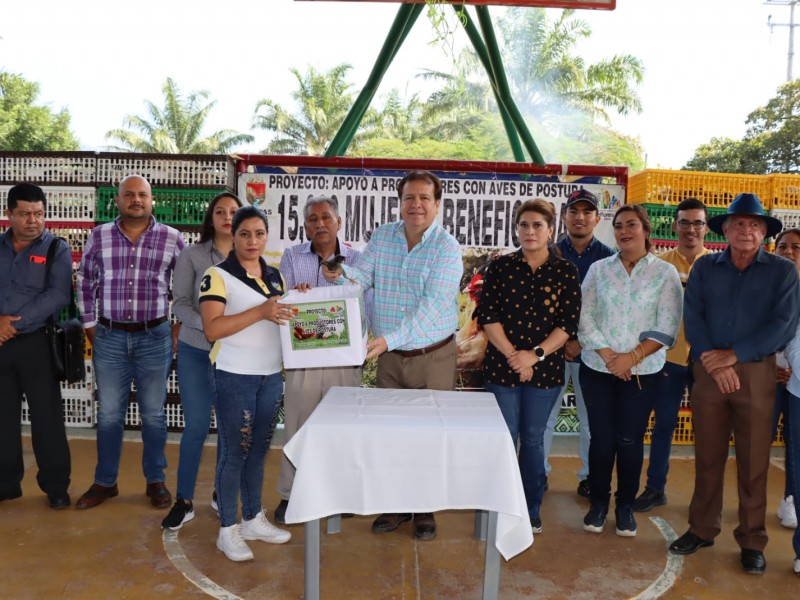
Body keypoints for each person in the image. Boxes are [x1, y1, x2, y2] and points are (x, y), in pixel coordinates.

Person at [323, 170, 462, 541]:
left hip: (432, 356)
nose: (416, 205)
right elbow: (363, 277)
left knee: (428, 435)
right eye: (409, 198)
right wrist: (338, 274)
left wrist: (387, 340)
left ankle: (425, 508)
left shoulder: (446, 248)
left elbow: (432, 308)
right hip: (389, 356)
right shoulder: (384, 236)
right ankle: (397, 504)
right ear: (400, 202)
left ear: (437, 204)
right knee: (391, 432)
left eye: (424, 198)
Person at [669, 193, 800, 575]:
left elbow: (783, 325)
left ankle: (752, 540)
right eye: (739, 224)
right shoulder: (707, 268)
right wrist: (712, 357)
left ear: (764, 232)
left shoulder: (782, 271)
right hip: (709, 370)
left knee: (754, 461)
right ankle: (702, 528)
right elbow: (693, 314)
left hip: (757, 373)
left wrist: (735, 355)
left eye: (754, 225)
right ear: (725, 230)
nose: (747, 231)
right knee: (707, 455)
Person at [75, 175, 185, 510]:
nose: (135, 200)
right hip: (109, 337)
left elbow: (185, 286)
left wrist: (178, 326)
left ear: (153, 201)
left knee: (152, 415)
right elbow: (84, 281)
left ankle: (156, 480)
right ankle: (105, 482)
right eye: (128, 195)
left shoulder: (172, 238)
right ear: (117, 201)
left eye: (142, 195)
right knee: (109, 414)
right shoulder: (99, 236)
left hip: (155, 337)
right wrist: (91, 326)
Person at [578, 205, 682, 537]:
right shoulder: (598, 269)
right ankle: (597, 505)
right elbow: (585, 317)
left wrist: (631, 358)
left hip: (643, 371)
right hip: (598, 368)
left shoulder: (664, 273)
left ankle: (624, 508)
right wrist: (611, 357)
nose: (625, 231)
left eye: (632, 225)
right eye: (619, 226)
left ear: (646, 230)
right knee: (602, 439)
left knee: (630, 439)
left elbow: (668, 325)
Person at [478, 199, 581, 533]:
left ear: (551, 230)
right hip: (501, 368)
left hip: (545, 371)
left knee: (533, 439)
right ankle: (500, 505)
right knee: (504, 437)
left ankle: (529, 508)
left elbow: (567, 324)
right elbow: (489, 317)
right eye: (524, 225)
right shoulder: (501, 267)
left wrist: (533, 355)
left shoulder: (565, 271)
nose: (530, 231)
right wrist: (514, 356)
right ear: (516, 229)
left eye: (538, 225)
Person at [199, 205, 294, 562]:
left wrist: (296, 300)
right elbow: (213, 329)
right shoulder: (217, 275)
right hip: (232, 374)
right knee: (234, 451)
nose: (252, 241)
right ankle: (228, 529)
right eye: (244, 234)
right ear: (232, 235)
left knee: (258, 450)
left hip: (269, 375)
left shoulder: (274, 276)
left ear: (266, 236)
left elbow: (281, 318)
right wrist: (261, 311)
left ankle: (253, 518)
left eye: (258, 234)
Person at [274, 195, 364, 524]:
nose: (320, 224)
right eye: (312, 219)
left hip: (344, 357)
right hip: (304, 356)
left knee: (342, 426)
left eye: (326, 217)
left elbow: (363, 298)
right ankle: (291, 493)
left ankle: (341, 494)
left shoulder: (357, 258)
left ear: (339, 222)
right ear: (306, 226)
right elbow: (282, 298)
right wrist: (294, 292)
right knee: (298, 424)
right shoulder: (292, 256)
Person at [161, 192, 241, 530]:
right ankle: (184, 500)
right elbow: (179, 303)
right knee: (195, 427)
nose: (227, 217)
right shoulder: (192, 255)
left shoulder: (249, 256)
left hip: (237, 354)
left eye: (234, 212)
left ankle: (222, 494)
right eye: (220, 212)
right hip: (197, 349)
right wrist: (208, 325)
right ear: (210, 218)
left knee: (228, 429)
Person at [634, 198, 712, 512]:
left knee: (709, 431)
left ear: (706, 228)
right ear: (675, 226)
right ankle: (655, 488)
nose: (691, 229)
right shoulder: (659, 265)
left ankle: (707, 498)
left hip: (708, 361)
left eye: (697, 223)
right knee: (663, 425)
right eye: (685, 222)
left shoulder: (718, 266)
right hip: (667, 358)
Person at [0, 183, 72, 509]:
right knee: (2, 417)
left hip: (37, 344)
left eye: (39, 213)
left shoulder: (57, 248)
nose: (33, 220)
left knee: (47, 419)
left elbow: (57, 295)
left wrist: (9, 324)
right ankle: (6, 483)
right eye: (25, 214)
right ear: (9, 214)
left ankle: (56, 486)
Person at [543, 189, 614, 499]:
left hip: (592, 354)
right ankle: (538, 473)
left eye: (587, 212)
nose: (580, 217)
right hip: (552, 351)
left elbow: (609, 310)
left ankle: (589, 477)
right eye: (574, 211)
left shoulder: (610, 258)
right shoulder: (549, 252)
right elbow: (542, 305)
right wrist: (560, 342)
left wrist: (581, 343)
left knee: (591, 421)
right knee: (543, 419)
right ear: (565, 216)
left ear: (597, 218)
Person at [774, 228, 800, 531]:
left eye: (796, 246)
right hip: (766, 377)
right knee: (758, 440)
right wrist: (770, 366)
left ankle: (790, 497)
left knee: (794, 444)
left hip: (794, 381)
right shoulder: (768, 287)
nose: (789, 251)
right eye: (783, 246)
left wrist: (794, 368)